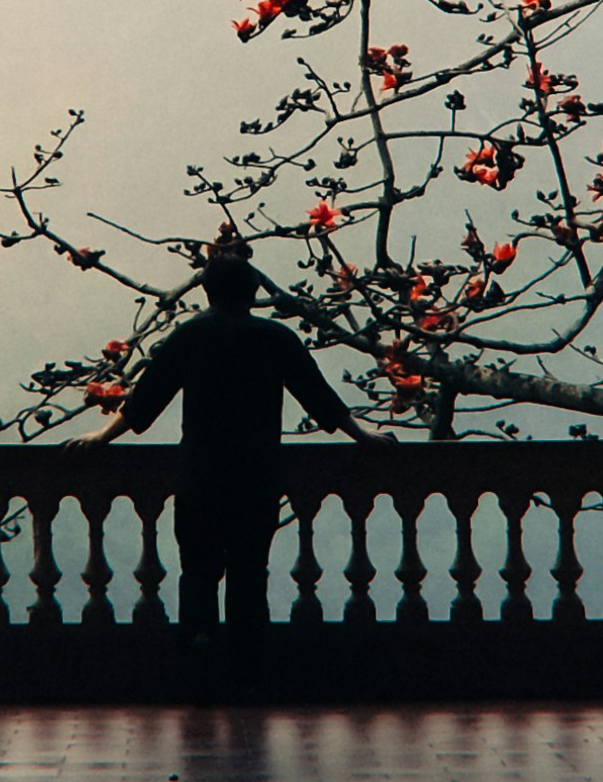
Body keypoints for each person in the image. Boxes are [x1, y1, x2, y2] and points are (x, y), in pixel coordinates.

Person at [74, 233, 388, 638]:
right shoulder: (275, 338)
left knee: (198, 575)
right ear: (253, 293)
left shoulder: (189, 336)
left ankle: (199, 662)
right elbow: (319, 397)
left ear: (207, 291)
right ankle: (247, 663)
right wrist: (363, 436)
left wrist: (102, 436)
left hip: (200, 475)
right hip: (257, 475)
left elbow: (144, 402)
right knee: (249, 574)